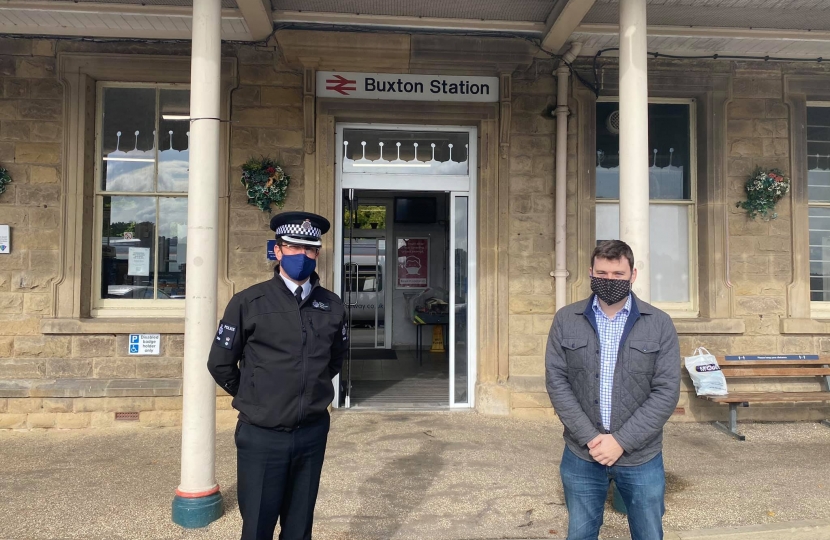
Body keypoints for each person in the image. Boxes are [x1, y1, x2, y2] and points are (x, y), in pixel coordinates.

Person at [207, 211, 348, 540]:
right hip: (262, 435)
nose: (302, 255)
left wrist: (309, 395)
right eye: (294, 247)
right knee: (257, 526)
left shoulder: (332, 305)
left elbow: (334, 360)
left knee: (300, 527)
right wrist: (255, 398)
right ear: (278, 250)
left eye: (310, 249)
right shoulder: (248, 302)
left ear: (317, 253)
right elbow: (220, 363)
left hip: (311, 434)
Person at [545, 240, 680, 540]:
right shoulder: (566, 320)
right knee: (579, 534)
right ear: (591, 272)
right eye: (602, 273)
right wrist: (592, 438)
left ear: (633, 275)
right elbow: (557, 382)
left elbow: (666, 391)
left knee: (648, 534)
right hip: (582, 454)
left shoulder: (659, 324)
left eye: (618, 274)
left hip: (641, 458)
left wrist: (620, 441)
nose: (609, 280)